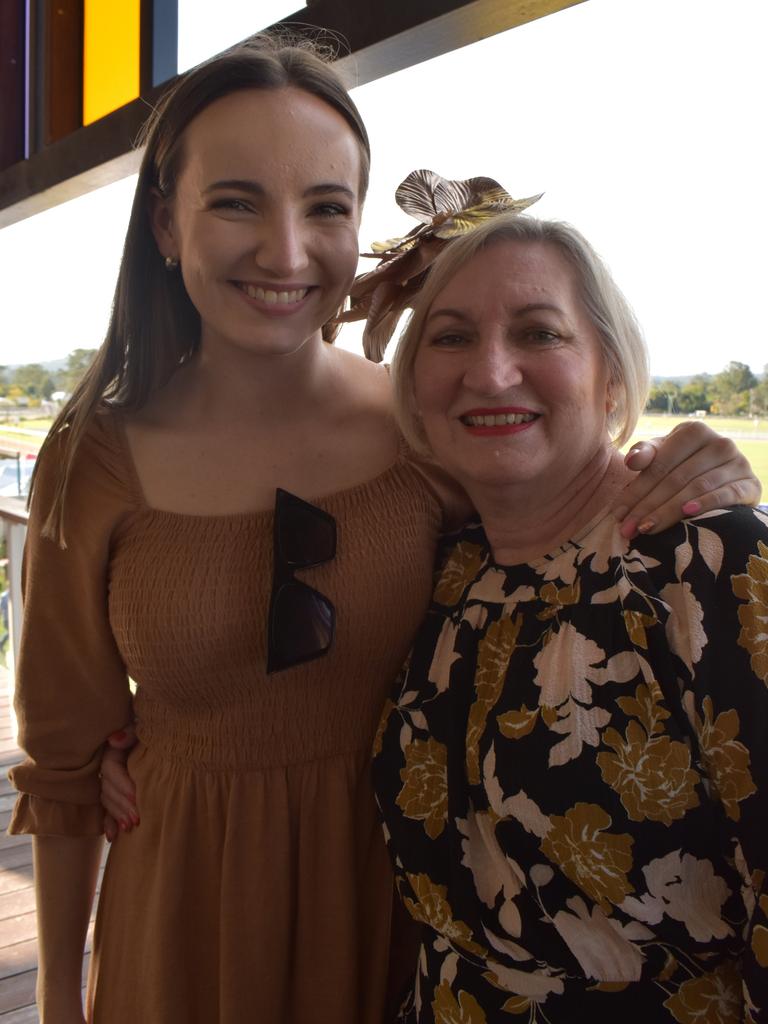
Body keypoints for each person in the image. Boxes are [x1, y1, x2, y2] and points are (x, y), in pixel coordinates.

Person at [8, 33, 760, 1024]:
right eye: (237, 200)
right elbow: (64, 778)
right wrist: (60, 1004)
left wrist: (694, 463)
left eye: (325, 207)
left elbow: (554, 503)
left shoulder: (425, 429)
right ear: (163, 221)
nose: (286, 250)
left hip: (396, 919)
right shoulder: (94, 456)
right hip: (182, 906)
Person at [372, 212, 768, 1022]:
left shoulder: (706, 564)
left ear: (612, 377)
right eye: (449, 338)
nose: (490, 372)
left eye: (539, 333)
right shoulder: (448, 572)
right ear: (413, 383)